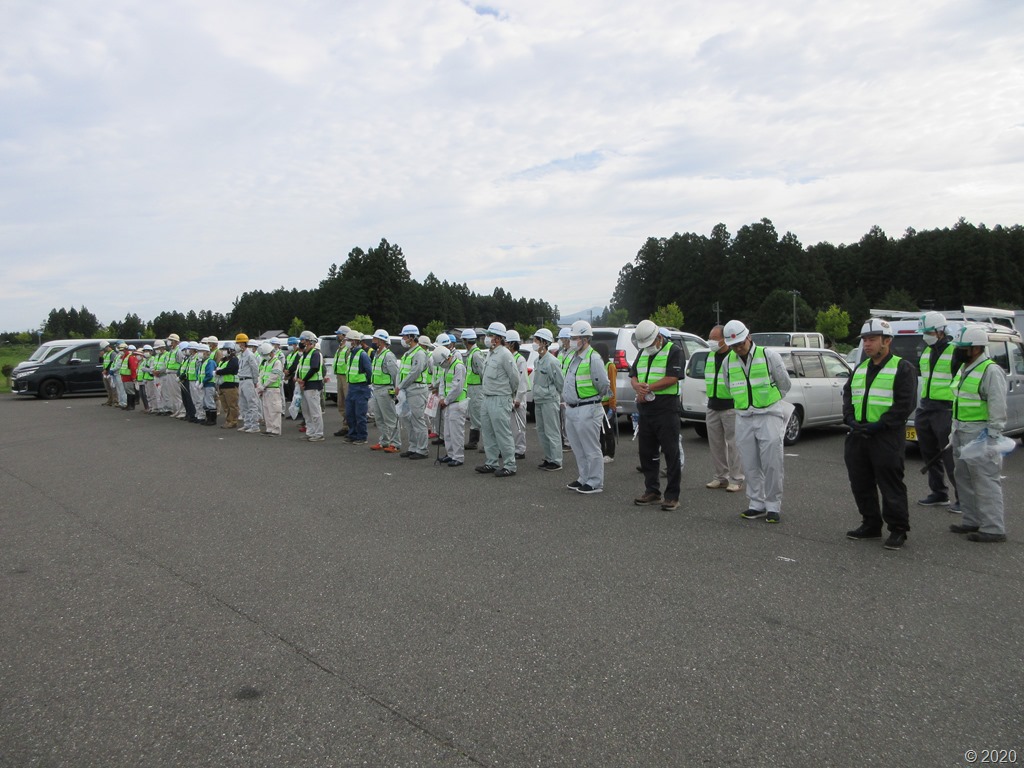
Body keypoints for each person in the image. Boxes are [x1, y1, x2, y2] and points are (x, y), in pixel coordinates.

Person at [843, 318, 918, 550]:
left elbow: (905, 404)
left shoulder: (902, 368)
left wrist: (881, 425)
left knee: (890, 484)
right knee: (860, 482)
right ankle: (871, 524)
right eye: (865, 340)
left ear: (887, 341)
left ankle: (898, 529)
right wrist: (850, 419)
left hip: (885, 436)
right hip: (858, 434)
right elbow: (848, 396)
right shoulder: (860, 368)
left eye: (872, 339)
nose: (867, 344)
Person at [722, 319, 792, 523]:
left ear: (749, 337)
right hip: (743, 416)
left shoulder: (769, 355)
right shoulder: (728, 362)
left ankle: (773, 506)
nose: (738, 348)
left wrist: (768, 401)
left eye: (740, 344)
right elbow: (729, 386)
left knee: (772, 463)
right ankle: (756, 504)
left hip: (768, 414)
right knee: (749, 463)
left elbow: (784, 383)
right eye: (733, 346)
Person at [948, 325, 1009, 543]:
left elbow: (997, 405)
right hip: (961, 430)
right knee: (963, 477)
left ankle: (993, 528)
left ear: (975, 348)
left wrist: (992, 436)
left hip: (980, 432)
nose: (958, 351)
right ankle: (971, 520)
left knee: (985, 479)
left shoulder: (990, 370)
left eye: (962, 347)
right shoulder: (965, 368)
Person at [630, 320, 684, 511]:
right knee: (646, 452)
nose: (649, 347)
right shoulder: (642, 351)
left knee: (671, 452)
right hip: (646, 408)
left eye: (651, 343)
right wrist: (637, 386)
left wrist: (648, 388)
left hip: (666, 408)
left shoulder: (674, 351)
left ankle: (672, 496)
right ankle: (652, 490)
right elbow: (633, 374)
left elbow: (672, 378)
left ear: (659, 337)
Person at [914, 312, 961, 511]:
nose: (926, 336)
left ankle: (963, 499)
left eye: (929, 332)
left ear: (941, 331)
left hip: (945, 409)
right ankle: (939, 493)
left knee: (950, 456)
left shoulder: (955, 351)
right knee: (929, 453)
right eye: (924, 332)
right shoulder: (926, 351)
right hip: (926, 407)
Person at [562, 320, 610, 494]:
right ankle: (584, 477)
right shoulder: (572, 356)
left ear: (585, 339)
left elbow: (603, 384)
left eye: (575, 338)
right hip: (572, 408)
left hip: (588, 407)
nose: (572, 341)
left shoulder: (593, 358)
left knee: (591, 448)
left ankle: (595, 481)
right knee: (578, 447)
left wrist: (593, 399)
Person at [476, 322, 520, 477]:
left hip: (500, 398)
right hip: (487, 397)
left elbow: (515, 378)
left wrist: (509, 394)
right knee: (487, 432)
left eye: (490, 335)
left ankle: (510, 465)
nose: (487, 338)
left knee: (502, 433)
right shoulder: (490, 353)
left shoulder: (505, 354)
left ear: (498, 338)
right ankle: (491, 462)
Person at [704, 325, 743, 492]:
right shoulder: (710, 356)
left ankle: (736, 478)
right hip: (712, 405)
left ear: (724, 339)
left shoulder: (734, 356)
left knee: (734, 444)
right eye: (709, 338)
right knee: (716, 445)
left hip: (730, 406)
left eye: (714, 339)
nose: (711, 342)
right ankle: (721, 477)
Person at [531, 328, 565, 471]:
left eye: (536, 340)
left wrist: (556, 396)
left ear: (544, 343)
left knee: (552, 430)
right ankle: (548, 457)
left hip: (549, 400)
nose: (534, 343)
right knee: (541, 431)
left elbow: (560, 383)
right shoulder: (537, 361)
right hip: (539, 399)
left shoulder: (552, 361)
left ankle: (556, 460)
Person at [396, 325, 430, 459]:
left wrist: (400, 385)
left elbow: (415, 373)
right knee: (407, 419)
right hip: (407, 390)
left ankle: (422, 449)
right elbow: (402, 372)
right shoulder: (408, 353)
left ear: (411, 337)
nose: (403, 339)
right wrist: (400, 386)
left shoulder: (419, 353)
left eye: (405, 336)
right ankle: (413, 447)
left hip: (417, 389)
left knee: (417, 419)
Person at [434, 346, 469, 466]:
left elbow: (457, 388)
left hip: (457, 403)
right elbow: (442, 383)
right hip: (448, 403)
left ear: (446, 357)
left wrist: (446, 400)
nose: (442, 365)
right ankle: (450, 454)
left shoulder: (458, 366)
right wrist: (442, 398)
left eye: (442, 363)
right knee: (448, 432)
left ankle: (458, 457)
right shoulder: (447, 367)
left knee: (456, 432)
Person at [369, 329, 401, 453]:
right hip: (376, 389)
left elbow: (395, 374)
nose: (373, 341)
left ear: (381, 341)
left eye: (375, 339)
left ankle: (395, 443)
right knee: (379, 418)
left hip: (385, 389)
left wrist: (395, 391)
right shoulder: (377, 354)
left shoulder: (388, 355)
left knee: (390, 418)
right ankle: (384, 441)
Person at [342, 329, 373, 445]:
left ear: (355, 341)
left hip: (361, 388)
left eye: (349, 340)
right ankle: (353, 434)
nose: (347, 342)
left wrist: (366, 383)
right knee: (350, 413)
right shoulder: (351, 354)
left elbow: (369, 371)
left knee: (360, 414)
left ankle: (362, 436)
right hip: (352, 387)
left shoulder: (362, 355)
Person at [295, 330, 325, 441]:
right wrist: (299, 379)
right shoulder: (305, 354)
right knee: (306, 411)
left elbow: (314, 368)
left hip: (313, 385)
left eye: (304, 340)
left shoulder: (315, 353)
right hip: (305, 385)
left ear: (309, 341)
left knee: (315, 411)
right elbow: (301, 368)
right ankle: (310, 432)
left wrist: (303, 380)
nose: (302, 342)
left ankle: (318, 433)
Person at [505, 330, 530, 460]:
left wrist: (518, 399)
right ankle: (511, 448)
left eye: (506, 343)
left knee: (519, 425)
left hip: (517, 399)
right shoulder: (508, 358)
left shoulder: (519, 359)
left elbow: (522, 381)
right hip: (508, 397)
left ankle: (520, 450)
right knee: (509, 426)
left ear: (512, 344)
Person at [462, 329, 485, 450]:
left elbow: (483, 372)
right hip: (471, 388)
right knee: (473, 415)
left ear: (466, 340)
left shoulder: (476, 354)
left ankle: (487, 444)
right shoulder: (471, 353)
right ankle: (473, 441)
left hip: (477, 389)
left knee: (478, 416)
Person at [256, 341, 284, 435]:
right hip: (265, 390)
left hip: (273, 389)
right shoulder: (266, 363)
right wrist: (260, 386)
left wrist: (263, 386)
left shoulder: (277, 362)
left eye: (266, 355)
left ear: (271, 352)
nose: (265, 357)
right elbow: (261, 375)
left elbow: (274, 376)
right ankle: (269, 428)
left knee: (274, 410)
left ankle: (276, 429)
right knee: (267, 410)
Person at [234, 335, 261, 434]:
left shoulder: (250, 355)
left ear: (243, 343)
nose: (237, 345)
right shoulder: (241, 355)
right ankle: (247, 424)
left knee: (252, 403)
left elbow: (255, 369)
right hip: (241, 380)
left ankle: (255, 425)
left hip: (248, 380)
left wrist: (255, 381)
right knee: (243, 404)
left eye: (238, 343)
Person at [332, 325, 352, 437]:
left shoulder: (347, 348)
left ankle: (349, 426)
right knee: (341, 402)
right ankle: (346, 425)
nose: (337, 336)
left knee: (347, 401)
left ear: (344, 335)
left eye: (339, 334)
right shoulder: (340, 347)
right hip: (339, 376)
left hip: (346, 377)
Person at [215, 345, 240, 429]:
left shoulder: (234, 360)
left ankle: (233, 421)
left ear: (230, 350)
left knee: (232, 405)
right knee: (225, 405)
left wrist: (218, 372)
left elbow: (230, 369)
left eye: (225, 350)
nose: (223, 351)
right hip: (222, 385)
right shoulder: (223, 360)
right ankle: (228, 420)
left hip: (231, 385)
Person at [196, 343, 218, 425]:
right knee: (205, 402)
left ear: (207, 352)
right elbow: (199, 373)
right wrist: (198, 381)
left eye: (201, 351)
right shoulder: (202, 362)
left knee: (209, 402)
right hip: (204, 384)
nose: (199, 353)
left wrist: (202, 382)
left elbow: (209, 374)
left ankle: (212, 420)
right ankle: (208, 419)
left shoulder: (210, 362)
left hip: (209, 384)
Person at [119, 344, 140, 411]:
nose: (122, 351)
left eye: (123, 350)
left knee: (130, 391)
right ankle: (129, 405)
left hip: (129, 377)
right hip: (125, 377)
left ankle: (131, 406)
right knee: (128, 391)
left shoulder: (129, 357)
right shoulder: (125, 357)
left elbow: (133, 368)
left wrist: (134, 377)